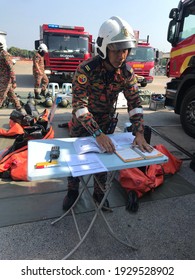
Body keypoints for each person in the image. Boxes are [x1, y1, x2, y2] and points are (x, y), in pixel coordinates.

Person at [62, 16, 153, 211]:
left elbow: (135, 103)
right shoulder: (86, 70)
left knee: (103, 163)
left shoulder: (127, 73)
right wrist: (97, 133)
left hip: (106, 123)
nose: (122, 55)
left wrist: (139, 133)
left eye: (125, 49)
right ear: (104, 47)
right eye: (116, 49)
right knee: (76, 162)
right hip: (82, 124)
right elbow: (79, 106)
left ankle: (99, 193)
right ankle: (72, 190)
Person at [0, 41, 22, 111]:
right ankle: (19, 108)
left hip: (5, 80)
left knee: (1, 96)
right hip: (2, 78)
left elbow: (11, 68)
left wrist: (14, 80)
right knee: (11, 95)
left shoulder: (4, 54)